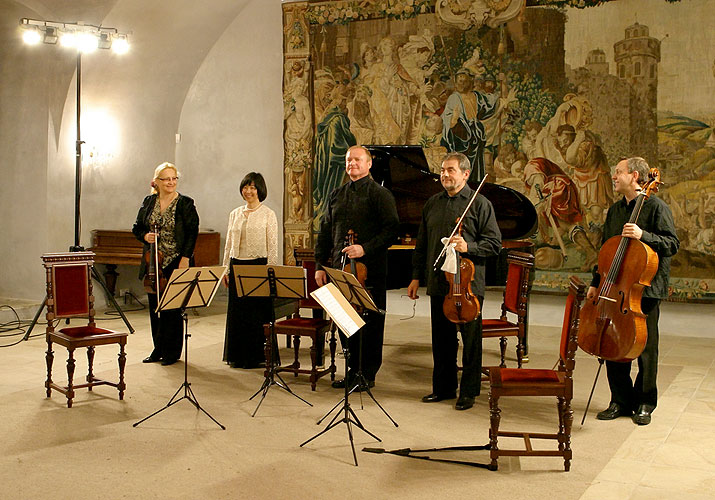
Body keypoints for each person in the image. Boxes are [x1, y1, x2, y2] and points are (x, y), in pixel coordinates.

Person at [407, 152, 501, 410]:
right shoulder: (432, 204)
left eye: (450, 170)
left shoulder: (480, 204)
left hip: (468, 284)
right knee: (442, 338)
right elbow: (422, 244)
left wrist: (468, 246)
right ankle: (444, 387)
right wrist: (416, 276)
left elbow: (494, 245)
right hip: (439, 281)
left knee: (470, 340)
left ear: (465, 174)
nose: (445, 174)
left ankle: (469, 391)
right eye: (443, 170)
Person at [592, 157, 679, 426]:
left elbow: (672, 244)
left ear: (635, 176)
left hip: (646, 289)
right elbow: (606, 252)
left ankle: (644, 402)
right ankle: (619, 399)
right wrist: (596, 283)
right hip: (615, 288)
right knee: (613, 343)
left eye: (618, 173)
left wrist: (644, 235)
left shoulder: (656, 207)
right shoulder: (615, 211)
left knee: (645, 348)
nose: (614, 177)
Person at [315, 145, 399, 389]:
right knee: (344, 322)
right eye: (349, 159)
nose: (352, 163)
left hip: (369, 271)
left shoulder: (380, 194)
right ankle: (353, 371)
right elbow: (325, 232)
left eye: (357, 159)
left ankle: (367, 374)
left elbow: (391, 231)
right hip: (339, 271)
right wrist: (321, 264)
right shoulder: (336, 194)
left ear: (369, 164)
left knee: (370, 324)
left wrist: (365, 249)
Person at [133, 162, 199, 366]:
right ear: (157, 182)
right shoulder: (149, 201)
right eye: (167, 179)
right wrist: (145, 236)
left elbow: (192, 233)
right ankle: (158, 349)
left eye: (174, 178)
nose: (171, 182)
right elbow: (137, 227)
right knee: (155, 308)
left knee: (172, 308)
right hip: (153, 261)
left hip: (176, 261)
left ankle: (172, 352)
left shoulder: (185, 203)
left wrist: (186, 259)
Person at [222, 172, 278, 369]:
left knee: (255, 313)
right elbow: (228, 244)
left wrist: (271, 271)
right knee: (238, 313)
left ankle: (256, 356)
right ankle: (238, 355)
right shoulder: (235, 213)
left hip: (258, 266)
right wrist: (225, 270)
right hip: (237, 264)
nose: (248, 191)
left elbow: (272, 246)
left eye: (253, 187)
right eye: (246, 187)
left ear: (259, 190)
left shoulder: (268, 214)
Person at [440, 69, 499, 182]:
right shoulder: (454, 98)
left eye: (464, 81)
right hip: (461, 135)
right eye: (459, 81)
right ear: (456, 83)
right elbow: (448, 120)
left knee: (476, 167)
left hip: (475, 135)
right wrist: (454, 120)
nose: (461, 83)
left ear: (469, 82)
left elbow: (489, 104)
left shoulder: (476, 96)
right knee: (462, 166)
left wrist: (503, 88)